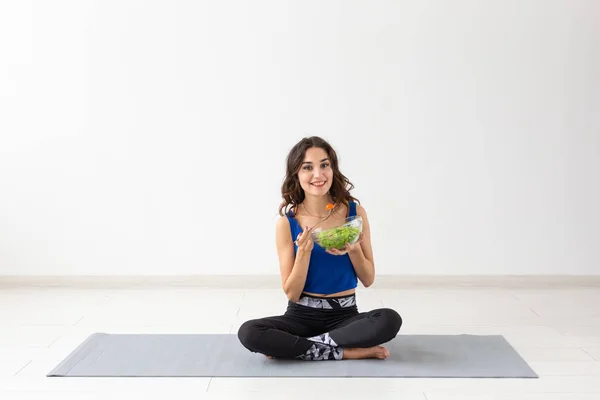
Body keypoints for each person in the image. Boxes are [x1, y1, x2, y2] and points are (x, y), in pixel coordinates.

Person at [237, 136, 402, 360]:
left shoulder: (354, 214)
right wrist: (303, 253)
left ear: (333, 169)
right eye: (308, 168)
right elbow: (292, 294)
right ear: (297, 174)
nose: (318, 174)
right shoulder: (287, 223)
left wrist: (354, 251)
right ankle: (345, 352)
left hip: (345, 316)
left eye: (324, 165)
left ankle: (301, 348)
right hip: (300, 316)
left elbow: (368, 279)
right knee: (249, 332)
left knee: (389, 319)